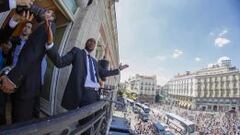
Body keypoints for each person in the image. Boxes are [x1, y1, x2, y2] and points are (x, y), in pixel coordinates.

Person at [45, 30, 129, 110]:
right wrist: (50, 45)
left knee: (92, 120)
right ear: (86, 43)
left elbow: (104, 72)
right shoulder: (77, 52)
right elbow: (60, 62)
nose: (92, 43)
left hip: (96, 93)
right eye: (90, 41)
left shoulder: (95, 62)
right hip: (85, 92)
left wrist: (118, 70)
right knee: (86, 120)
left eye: (94, 42)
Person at [0, 9, 56, 123]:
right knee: (14, 114)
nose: (45, 11)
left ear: (52, 18)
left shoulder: (49, 25)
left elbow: (32, 55)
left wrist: (13, 79)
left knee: (21, 121)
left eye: (49, 12)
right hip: (18, 80)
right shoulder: (37, 30)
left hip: (25, 82)